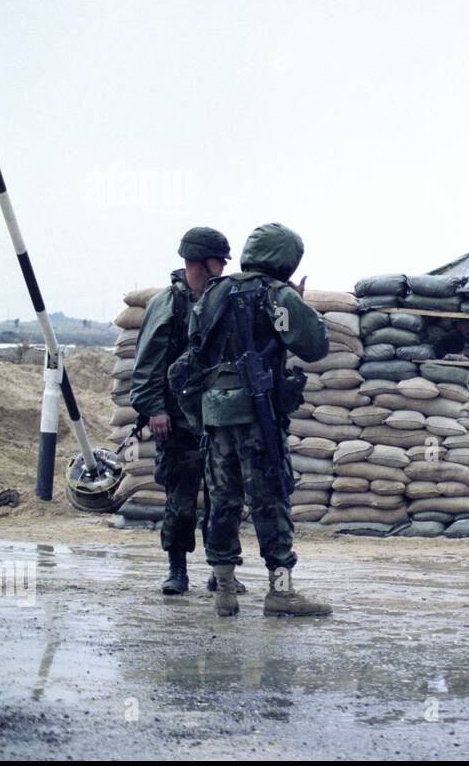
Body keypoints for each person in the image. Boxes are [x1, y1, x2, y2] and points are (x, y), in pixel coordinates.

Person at [186, 223, 331, 618]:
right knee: (271, 501)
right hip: (257, 414)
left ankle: (225, 592)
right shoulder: (276, 296)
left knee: (222, 502)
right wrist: (294, 306)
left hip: (216, 415)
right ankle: (280, 592)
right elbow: (313, 345)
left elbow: (197, 347)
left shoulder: (215, 292)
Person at [130, 226, 242, 596]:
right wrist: (155, 409)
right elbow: (147, 364)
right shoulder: (169, 304)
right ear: (199, 260)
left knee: (223, 498)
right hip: (177, 421)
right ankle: (177, 569)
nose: (223, 267)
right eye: (218, 260)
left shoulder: (223, 300)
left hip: (218, 419)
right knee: (179, 500)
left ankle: (221, 570)